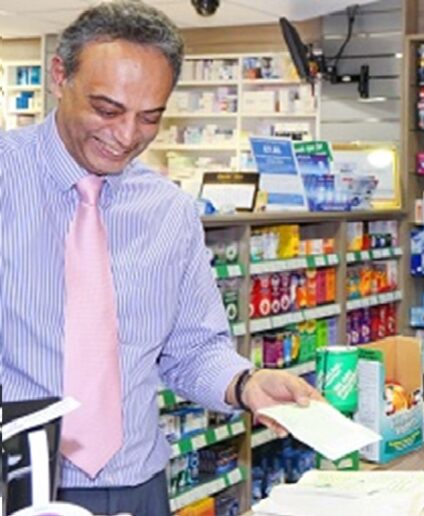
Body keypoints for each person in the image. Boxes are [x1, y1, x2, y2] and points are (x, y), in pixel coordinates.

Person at [0, 2, 320, 514]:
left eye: (149, 117)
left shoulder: (168, 210)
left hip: (139, 483)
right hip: (15, 484)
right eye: (106, 110)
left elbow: (192, 347)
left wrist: (247, 384)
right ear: (60, 76)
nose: (126, 137)